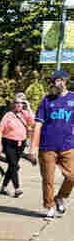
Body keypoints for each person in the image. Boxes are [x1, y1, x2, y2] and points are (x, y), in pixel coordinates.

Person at [27, 69, 74, 220]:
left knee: (72, 176)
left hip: (68, 146)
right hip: (47, 147)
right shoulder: (46, 101)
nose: (54, 84)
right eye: (53, 81)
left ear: (64, 81)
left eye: (57, 80)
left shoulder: (73, 98)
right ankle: (50, 207)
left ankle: (60, 197)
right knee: (48, 179)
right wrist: (32, 148)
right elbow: (38, 125)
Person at [0, 94, 33, 198]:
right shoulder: (8, 115)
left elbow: (32, 122)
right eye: (16, 102)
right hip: (8, 143)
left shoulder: (25, 114)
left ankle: (3, 187)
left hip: (20, 144)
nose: (18, 105)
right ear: (13, 104)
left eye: (20, 103)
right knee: (14, 165)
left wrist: (28, 107)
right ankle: (17, 189)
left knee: (12, 166)